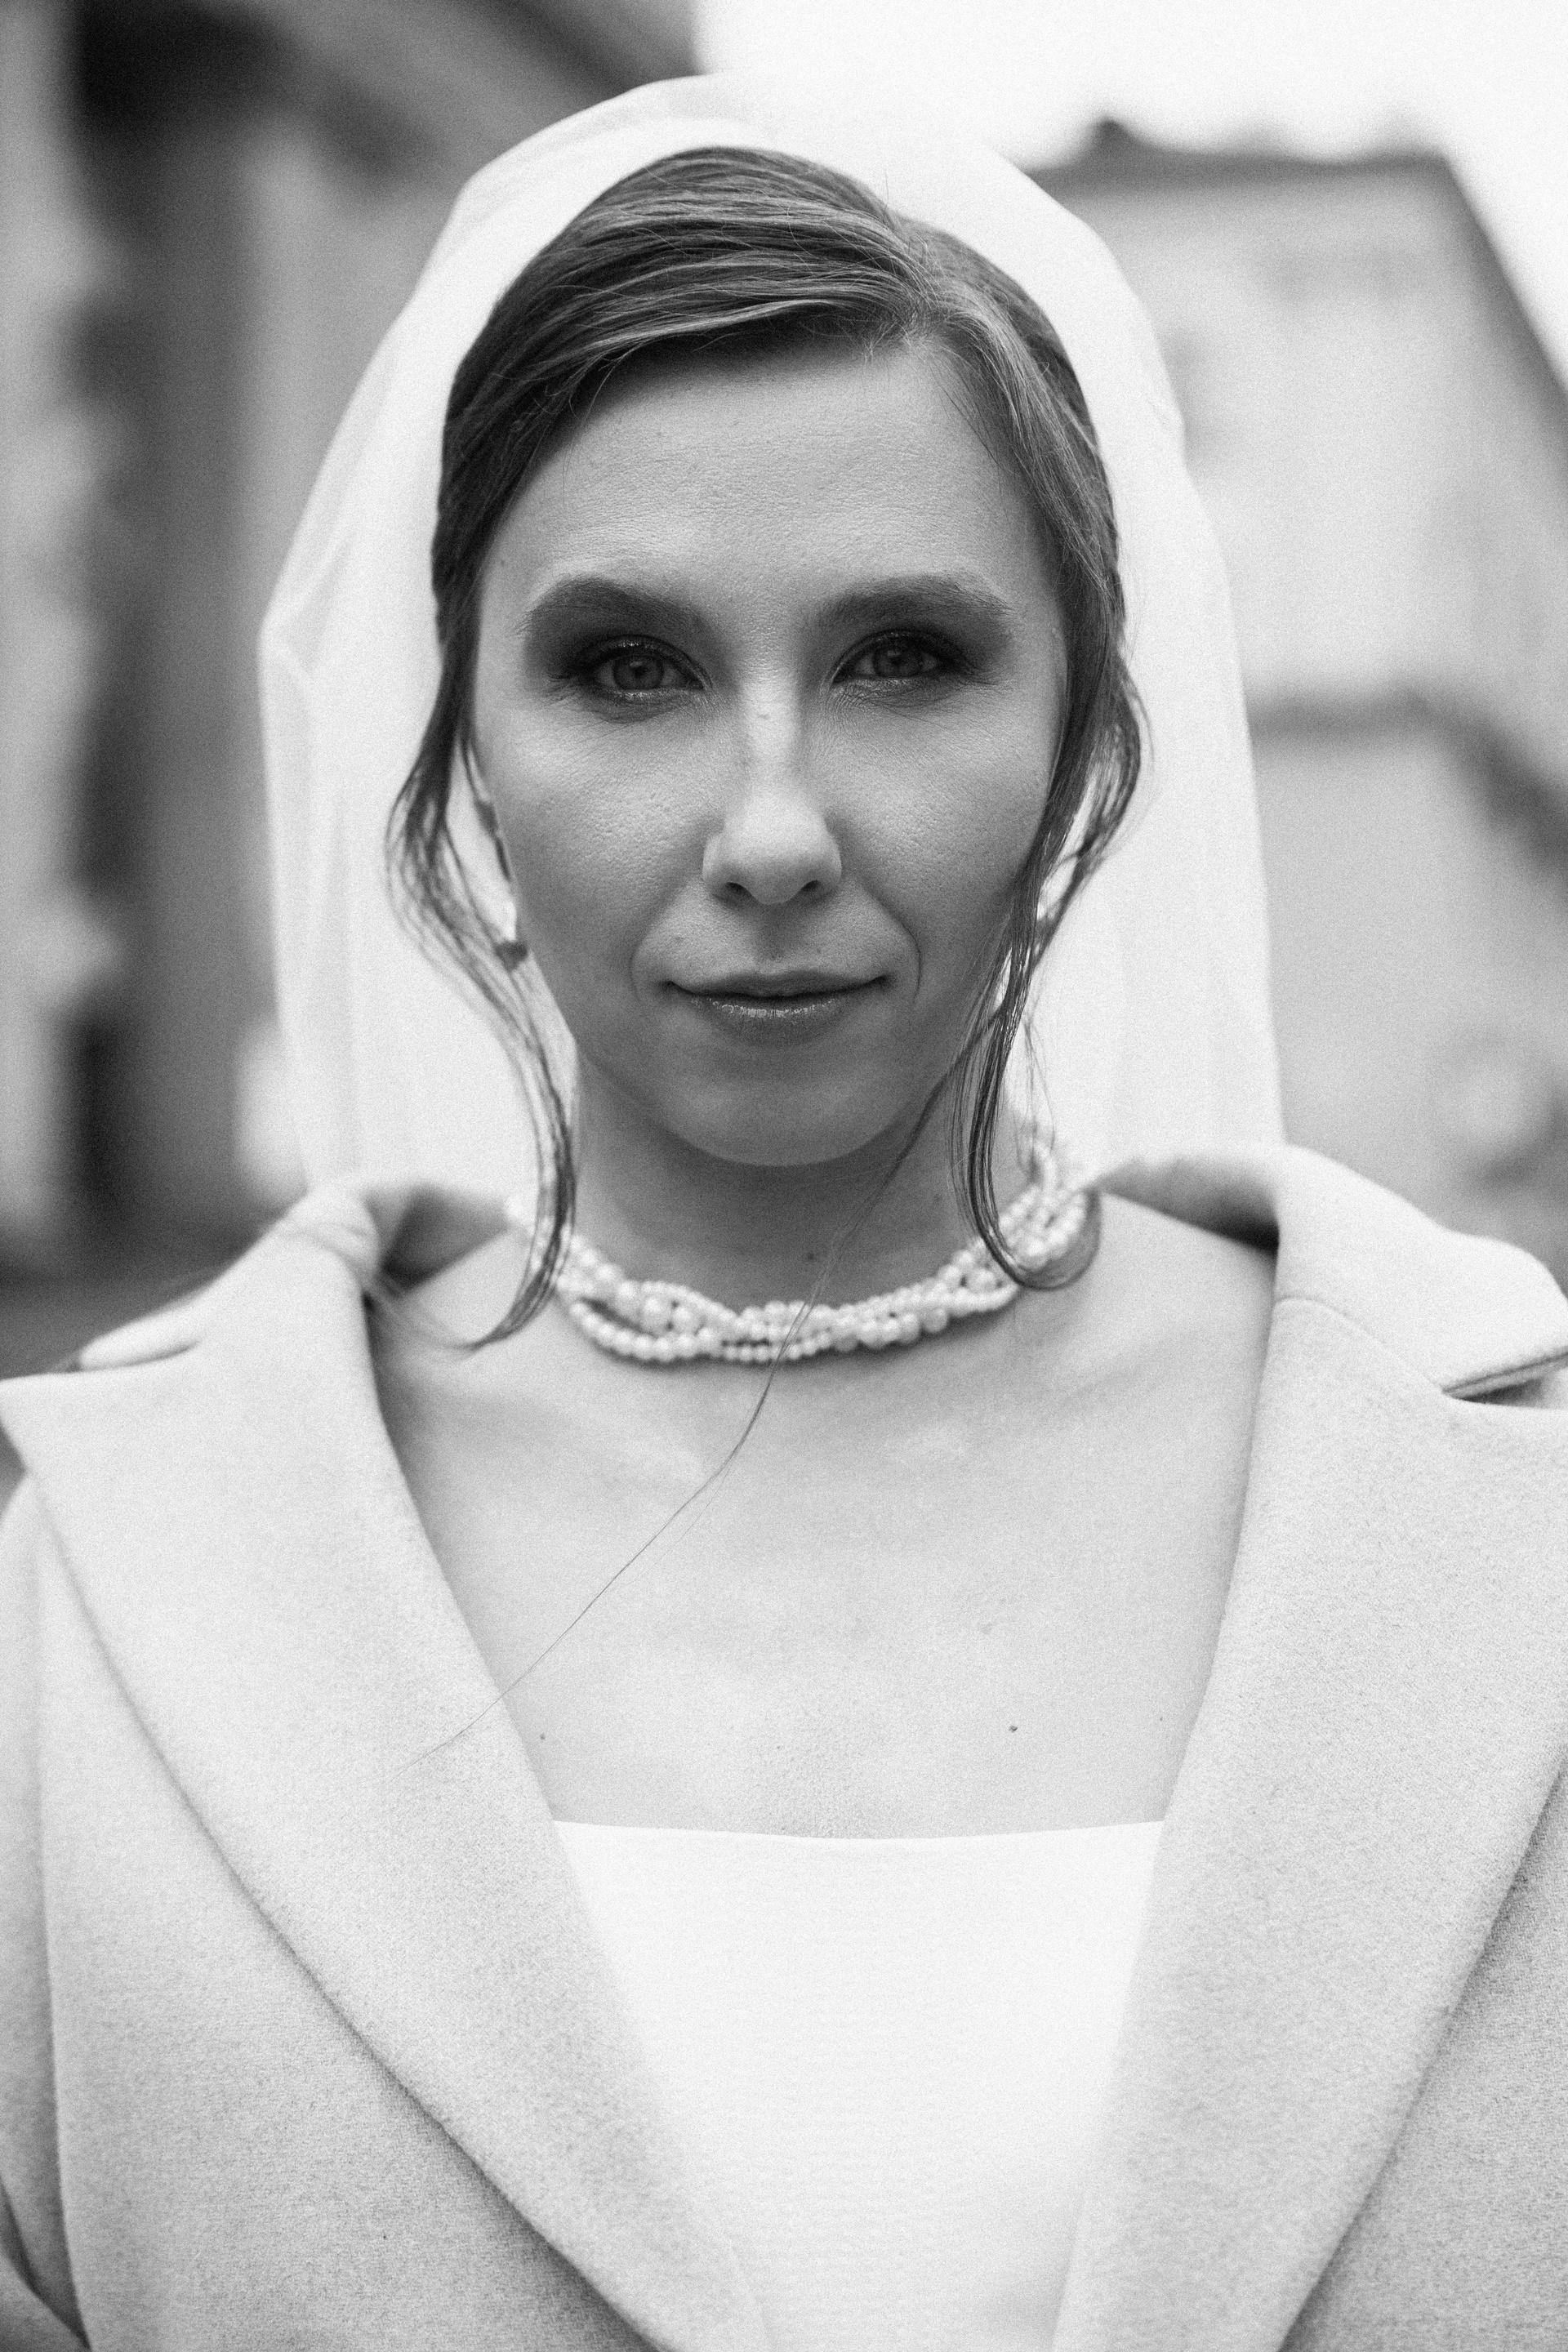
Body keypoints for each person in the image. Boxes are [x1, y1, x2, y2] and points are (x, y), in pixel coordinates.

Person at [2, 76, 1566, 2352]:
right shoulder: (97, 1586)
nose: (769, 831)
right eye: (625, 668)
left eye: (902, 658)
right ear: (462, 754)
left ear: (1085, 742)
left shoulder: (1502, 1511)